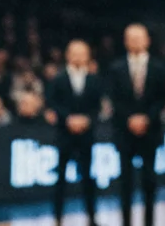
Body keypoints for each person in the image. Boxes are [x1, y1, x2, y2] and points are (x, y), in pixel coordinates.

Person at [109, 23, 165, 226]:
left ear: (147, 41)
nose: (135, 42)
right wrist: (130, 118)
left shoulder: (159, 67)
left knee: (149, 182)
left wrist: (147, 118)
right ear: (125, 42)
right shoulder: (116, 68)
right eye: (131, 38)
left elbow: (163, 98)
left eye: (139, 38)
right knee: (125, 183)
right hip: (124, 132)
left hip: (150, 131)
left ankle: (149, 221)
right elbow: (114, 98)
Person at [48, 40, 104, 226]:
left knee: (88, 177)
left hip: (86, 135)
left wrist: (87, 120)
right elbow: (53, 103)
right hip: (64, 134)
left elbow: (97, 106)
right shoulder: (58, 78)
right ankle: (58, 218)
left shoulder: (94, 79)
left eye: (82, 53)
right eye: (75, 53)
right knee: (60, 178)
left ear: (88, 56)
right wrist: (68, 119)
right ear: (68, 55)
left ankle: (92, 217)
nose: (78, 57)